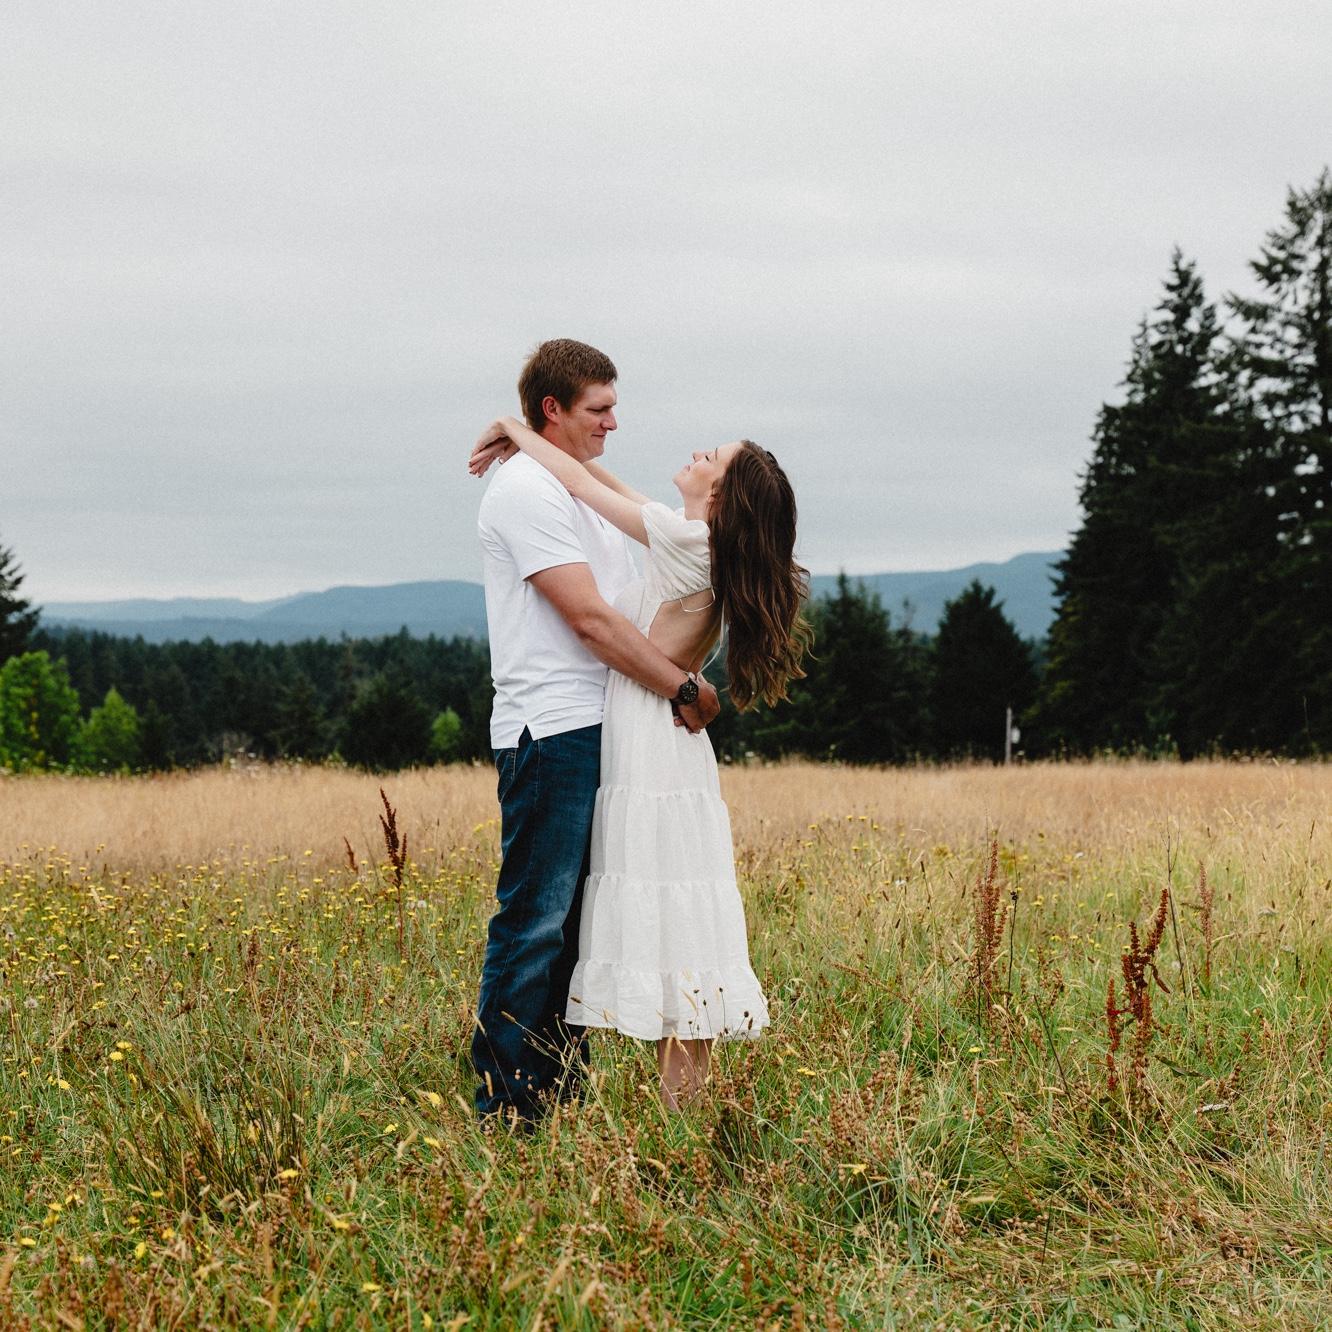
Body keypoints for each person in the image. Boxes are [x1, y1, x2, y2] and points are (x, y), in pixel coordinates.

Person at [470, 405, 810, 1109]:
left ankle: (669, 1105)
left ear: (721, 496)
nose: (697, 453)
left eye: (712, 457)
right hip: (664, 739)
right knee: (679, 915)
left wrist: (518, 430)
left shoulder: (688, 540)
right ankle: (683, 1108)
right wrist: (546, 440)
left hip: (650, 743)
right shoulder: (698, 541)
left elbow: (582, 484)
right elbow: (610, 484)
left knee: (666, 910)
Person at [471, 339, 721, 1126]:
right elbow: (590, 620)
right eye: (599, 409)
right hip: (553, 729)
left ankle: (557, 1094)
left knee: (581, 927)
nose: (614, 422)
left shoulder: (575, 487)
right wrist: (683, 687)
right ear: (554, 409)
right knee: (537, 919)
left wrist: (516, 429)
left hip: (606, 725)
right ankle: (509, 1106)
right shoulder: (524, 491)